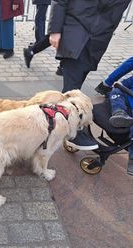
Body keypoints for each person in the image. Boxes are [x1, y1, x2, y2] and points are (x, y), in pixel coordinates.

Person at [47, 0, 131, 150]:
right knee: (72, 89)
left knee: (75, 87)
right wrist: (55, 30)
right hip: (76, 32)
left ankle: (59, 123)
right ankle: (73, 131)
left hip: (98, 40)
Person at [108, 76, 133, 176]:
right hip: (126, 102)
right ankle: (119, 113)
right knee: (115, 92)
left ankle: (132, 158)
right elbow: (122, 84)